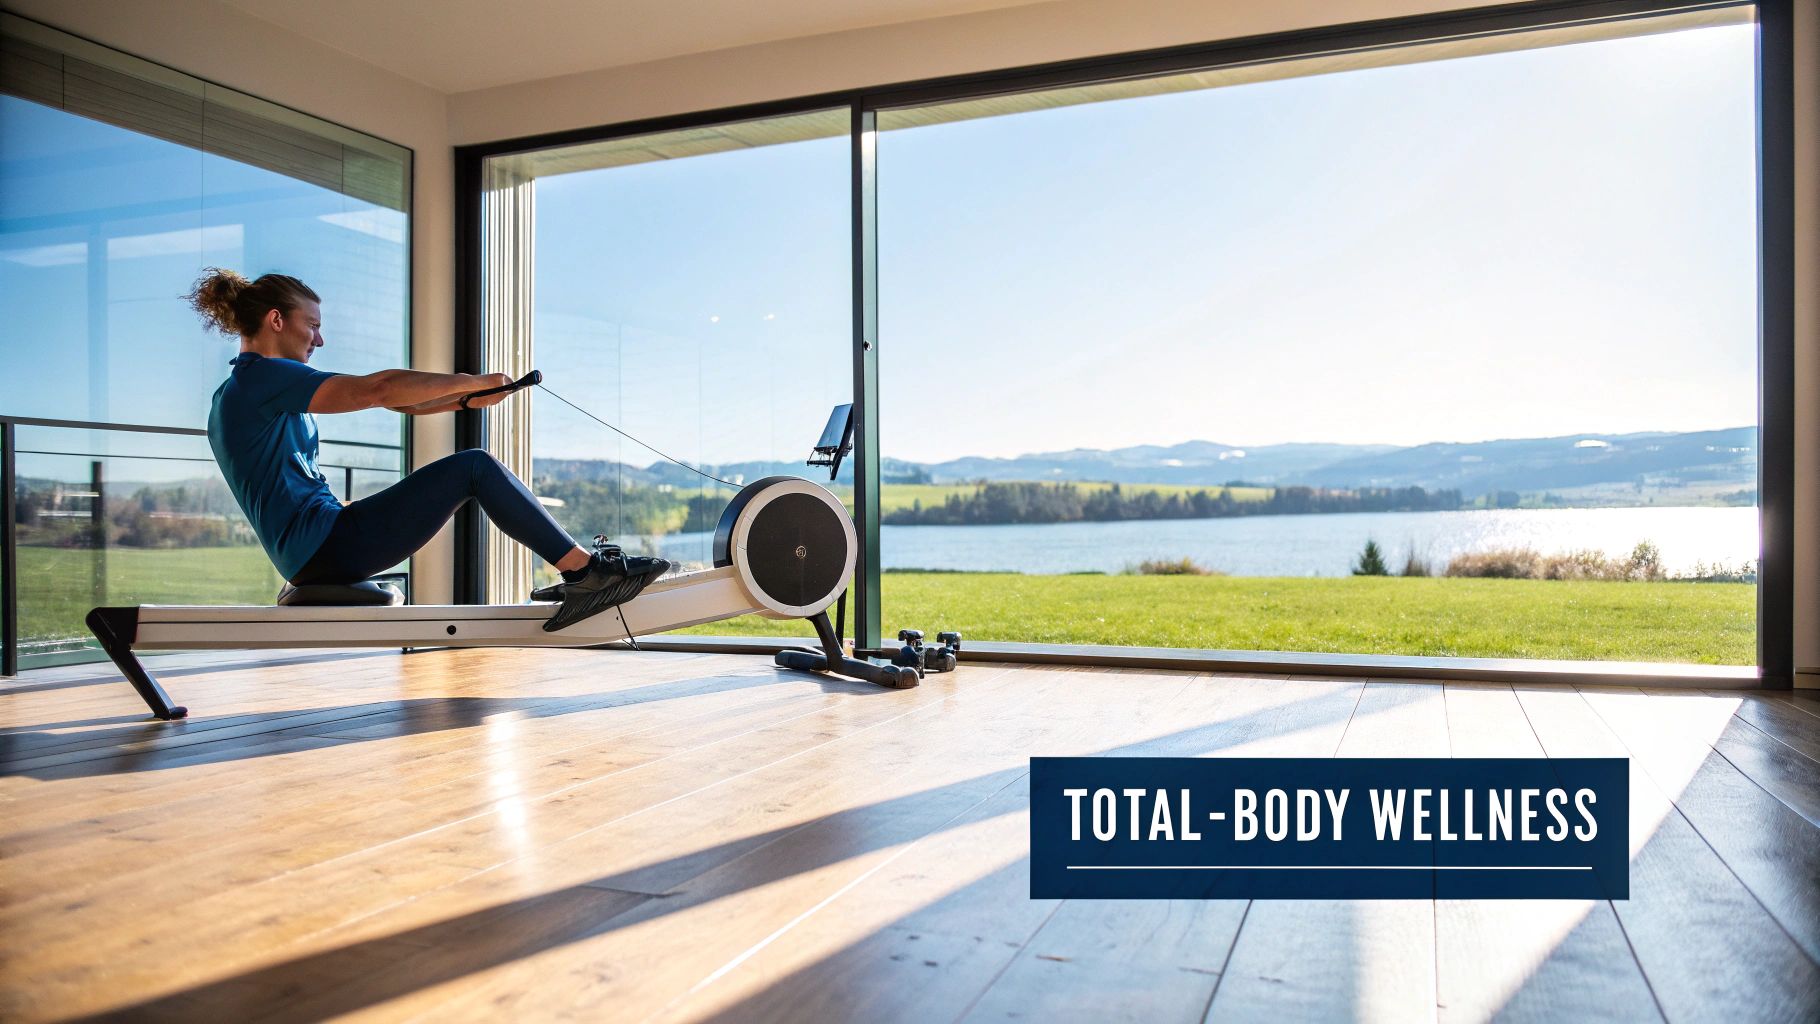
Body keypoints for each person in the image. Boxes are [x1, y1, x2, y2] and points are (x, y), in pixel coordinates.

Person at [188, 268, 665, 632]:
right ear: (276, 320)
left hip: (315, 548)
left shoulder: (241, 390)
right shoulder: (264, 380)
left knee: (469, 468)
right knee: (474, 467)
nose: (320, 338)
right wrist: (474, 379)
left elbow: (399, 404)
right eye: (311, 325)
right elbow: (378, 388)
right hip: (326, 546)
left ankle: (582, 570)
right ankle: (586, 573)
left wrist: (464, 400)